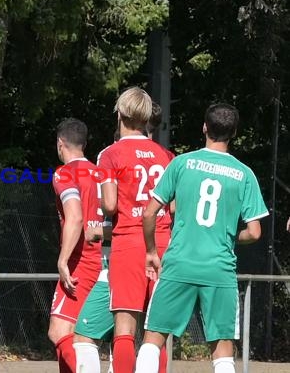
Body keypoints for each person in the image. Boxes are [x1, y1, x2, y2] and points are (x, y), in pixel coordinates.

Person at [136, 103, 269, 373]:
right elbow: (255, 232)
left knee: (153, 340)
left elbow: (149, 214)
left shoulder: (182, 163)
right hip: (219, 270)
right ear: (233, 133)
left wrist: (151, 251)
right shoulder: (244, 174)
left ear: (205, 127)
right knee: (222, 352)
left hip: (178, 264)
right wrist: (228, 236)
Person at [73, 102, 171, 373]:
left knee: (124, 329)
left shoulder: (111, 153)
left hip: (128, 241)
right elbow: (174, 208)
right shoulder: (167, 155)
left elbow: (110, 204)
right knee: (156, 333)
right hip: (163, 243)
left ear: (120, 115)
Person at [49, 118, 103, 373]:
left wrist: (62, 260)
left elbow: (76, 216)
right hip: (103, 259)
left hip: (80, 261)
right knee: (75, 333)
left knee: (58, 331)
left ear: (61, 144)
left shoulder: (65, 172)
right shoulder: (101, 172)